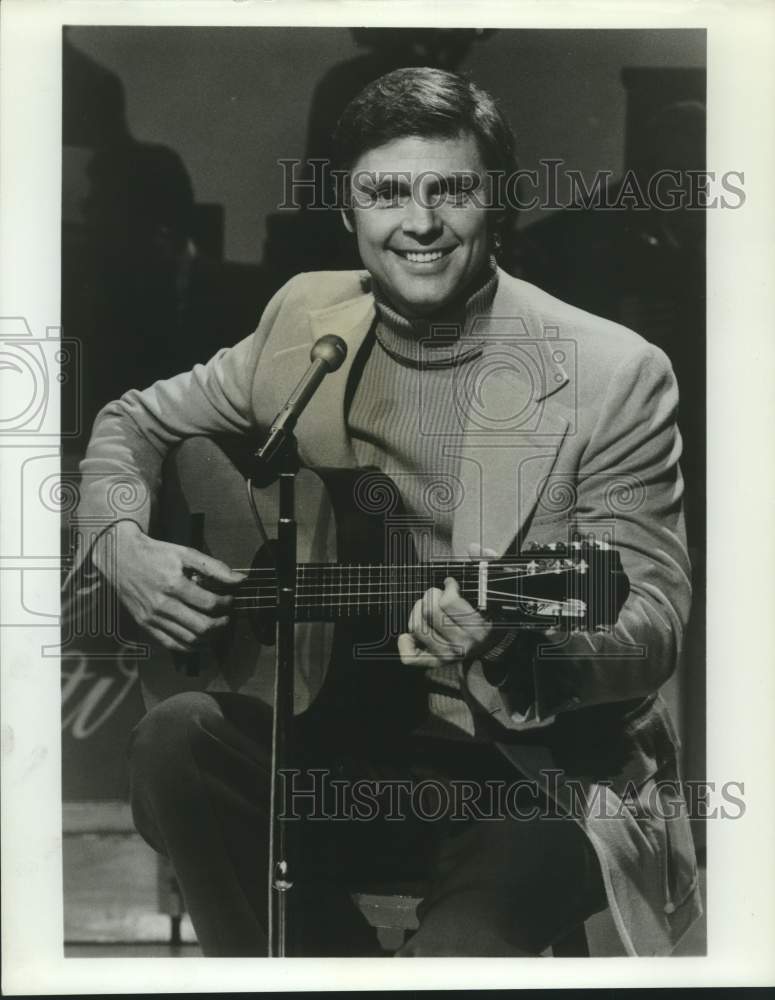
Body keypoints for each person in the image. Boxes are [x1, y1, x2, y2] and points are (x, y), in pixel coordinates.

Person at [67, 67, 702, 957]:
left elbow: (650, 621)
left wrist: (528, 646)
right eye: (384, 193)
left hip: (535, 774)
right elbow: (131, 420)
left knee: (459, 954)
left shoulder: (612, 372)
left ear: (500, 203)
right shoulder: (302, 318)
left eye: (450, 191)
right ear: (346, 210)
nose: (418, 224)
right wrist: (121, 543)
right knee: (178, 740)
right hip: (337, 747)